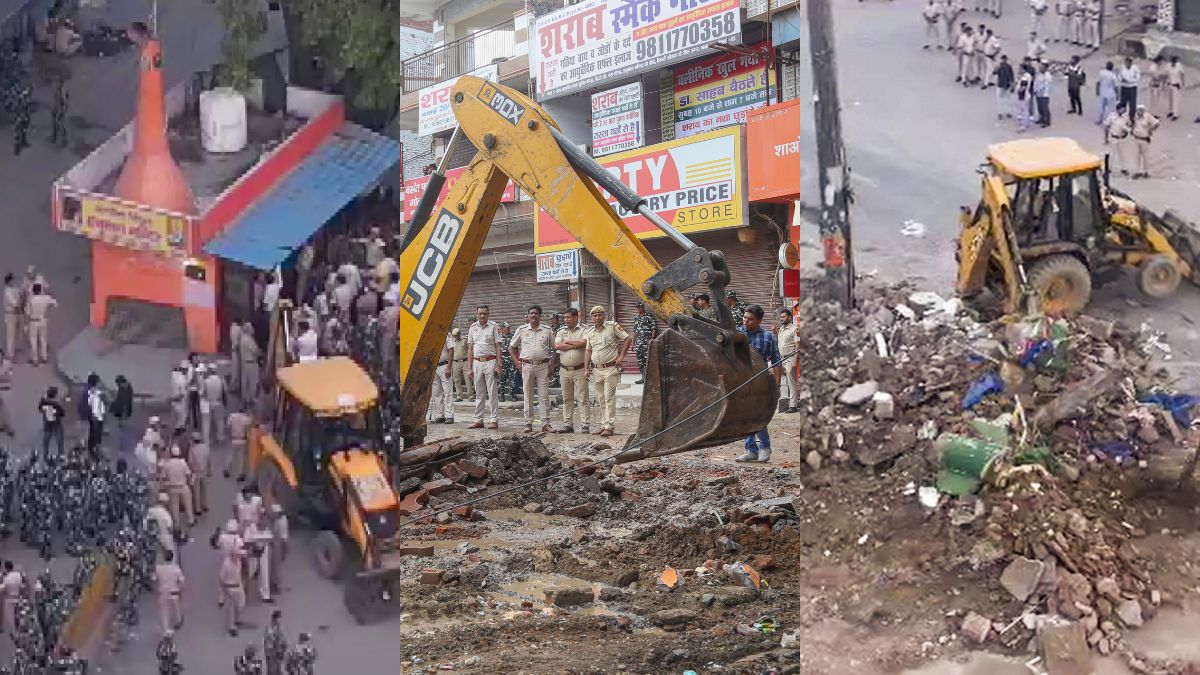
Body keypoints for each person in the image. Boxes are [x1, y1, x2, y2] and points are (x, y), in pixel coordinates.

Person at [734, 305, 782, 463]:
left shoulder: (768, 337)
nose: (745, 321)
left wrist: (777, 385)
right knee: (744, 416)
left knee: (758, 415)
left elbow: (776, 362)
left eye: (750, 319)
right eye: (745, 317)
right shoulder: (736, 334)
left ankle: (765, 447)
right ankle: (751, 450)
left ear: (759, 321)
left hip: (759, 382)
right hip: (738, 381)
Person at [583, 306, 631, 439]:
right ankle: (604, 424)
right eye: (594, 315)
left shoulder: (612, 327)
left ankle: (609, 426)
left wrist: (621, 357)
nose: (597, 318)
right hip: (596, 369)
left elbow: (627, 338)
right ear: (591, 317)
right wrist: (586, 368)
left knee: (609, 397)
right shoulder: (590, 331)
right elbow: (588, 351)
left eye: (599, 315)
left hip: (610, 368)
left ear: (604, 316)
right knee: (601, 399)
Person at [510, 305, 554, 433]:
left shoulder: (547, 330)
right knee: (528, 394)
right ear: (528, 316)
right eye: (531, 313)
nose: (533, 315)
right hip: (527, 366)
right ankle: (528, 423)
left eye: (536, 313)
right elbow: (511, 347)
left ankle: (545, 423)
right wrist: (517, 362)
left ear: (540, 315)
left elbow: (555, 347)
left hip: (543, 366)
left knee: (544, 395)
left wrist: (552, 365)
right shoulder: (522, 330)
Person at [554, 308, 590, 434]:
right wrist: (576, 344)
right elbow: (557, 345)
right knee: (567, 398)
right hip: (564, 370)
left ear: (576, 318)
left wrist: (568, 342)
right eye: (565, 318)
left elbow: (585, 342)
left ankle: (585, 425)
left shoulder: (584, 329)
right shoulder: (561, 330)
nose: (566, 320)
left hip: (579, 369)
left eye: (568, 317)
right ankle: (568, 424)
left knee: (583, 398)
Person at [467, 305, 502, 430]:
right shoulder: (472, 328)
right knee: (479, 392)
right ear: (477, 314)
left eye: (485, 314)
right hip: (477, 363)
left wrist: (499, 365)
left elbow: (498, 346)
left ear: (488, 314)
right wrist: (469, 367)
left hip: (490, 361)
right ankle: (478, 420)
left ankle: (494, 420)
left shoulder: (494, 326)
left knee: (492, 392)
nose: (482, 316)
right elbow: (470, 348)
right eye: (480, 313)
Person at [162, 445, 194, 531]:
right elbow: (188, 474)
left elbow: (164, 476)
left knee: (174, 507)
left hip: (172, 488)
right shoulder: (183, 462)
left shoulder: (167, 464)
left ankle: (176, 523)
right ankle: (190, 520)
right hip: (183, 486)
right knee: (188, 504)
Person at [154, 549, 184, 634]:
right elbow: (181, 582)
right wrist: (181, 591)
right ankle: (178, 622)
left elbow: (154, 580)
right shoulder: (176, 569)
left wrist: (156, 590)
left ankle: (166, 630)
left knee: (164, 612)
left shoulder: (158, 569)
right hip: (174, 592)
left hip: (162, 593)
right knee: (177, 608)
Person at [25, 282, 55, 365]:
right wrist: (47, 309)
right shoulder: (46, 298)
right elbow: (55, 303)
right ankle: (44, 357)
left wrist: (26, 324)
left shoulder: (30, 300)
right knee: (43, 339)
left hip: (33, 321)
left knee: (33, 340)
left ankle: (35, 359)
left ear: (33, 291)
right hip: (43, 320)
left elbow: (27, 312)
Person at [428, 332, 455, 424]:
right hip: (434, 367)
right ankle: (441, 415)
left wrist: (449, 367)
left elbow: (451, 350)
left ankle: (450, 415)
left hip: (444, 365)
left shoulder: (445, 334)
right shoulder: (429, 335)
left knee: (447, 391)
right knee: (436, 393)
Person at [777, 310, 800, 413]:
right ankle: (785, 404)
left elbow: (798, 346)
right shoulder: (781, 329)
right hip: (782, 358)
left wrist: (795, 359)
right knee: (784, 382)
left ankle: (793, 405)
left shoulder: (795, 329)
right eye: (780, 317)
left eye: (783, 317)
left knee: (792, 382)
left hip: (790, 358)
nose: (781, 318)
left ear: (790, 317)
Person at [1131, 105, 1160, 179]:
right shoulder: (1135, 117)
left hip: (1144, 139)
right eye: (1138, 110)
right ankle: (1137, 171)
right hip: (1136, 138)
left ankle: (1146, 171)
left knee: (1145, 156)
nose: (1140, 112)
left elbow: (1157, 123)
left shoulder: (1148, 116)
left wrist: (1151, 130)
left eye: (1141, 110)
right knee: (1136, 156)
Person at [1103, 102, 1131, 175]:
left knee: (1123, 154)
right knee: (1111, 154)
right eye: (1123, 109)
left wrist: (1126, 132)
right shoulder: (1112, 116)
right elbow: (1106, 127)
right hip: (1113, 137)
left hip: (1122, 138)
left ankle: (1124, 168)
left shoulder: (1126, 116)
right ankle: (1109, 168)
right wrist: (1106, 138)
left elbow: (1127, 124)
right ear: (1118, 109)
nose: (1124, 111)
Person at [631, 302, 656, 384]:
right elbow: (635, 332)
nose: (639, 309)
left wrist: (652, 339)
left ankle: (651, 379)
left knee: (648, 360)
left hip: (647, 343)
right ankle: (643, 378)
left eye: (640, 307)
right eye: (637, 307)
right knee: (640, 361)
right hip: (639, 344)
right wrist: (633, 343)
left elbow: (654, 328)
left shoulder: (649, 316)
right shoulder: (636, 318)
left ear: (643, 307)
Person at [147, 492, 177, 559]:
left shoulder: (150, 510)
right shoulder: (165, 514)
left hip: (151, 536)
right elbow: (170, 528)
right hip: (165, 536)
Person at [203, 366, 227, 447]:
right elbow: (225, 391)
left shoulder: (206, 381)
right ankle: (220, 437)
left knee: (207, 422)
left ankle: (206, 440)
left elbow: (204, 393)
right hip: (218, 402)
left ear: (209, 371)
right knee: (220, 421)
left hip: (209, 403)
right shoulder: (221, 380)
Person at [227, 407, 253, 481]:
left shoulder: (231, 416)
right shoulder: (246, 419)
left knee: (230, 455)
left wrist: (229, 435)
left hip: (233, 438)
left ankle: (227, 470)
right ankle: (240, 474)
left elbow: (228, 427)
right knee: (241, 458)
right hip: (242, 440)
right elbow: (251, 425)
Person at [38, 386, 65, 456]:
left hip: (47, 424)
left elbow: (40, 409)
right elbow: (62, 413)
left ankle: (45, 454)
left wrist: (42, 399)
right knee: (59, 441)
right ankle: (61, 454)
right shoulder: (57, 404)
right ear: (55, 395)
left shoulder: (44, 402)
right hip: (56, 424)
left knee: (46, 440)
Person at [189, 431, 211, 516]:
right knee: (204, 490)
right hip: (204, 472)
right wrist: (209, 470)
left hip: (196, 473)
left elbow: (190, 462)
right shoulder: (205, 447)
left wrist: (191, 472)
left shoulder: (193, 449)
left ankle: (198, 509)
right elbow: (209, 460)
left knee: (196, 491)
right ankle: (205, 505)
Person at [85, 373, 107, 452]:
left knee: (94, 435)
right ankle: (94, 450)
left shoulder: (93, 391)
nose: (100, 382)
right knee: (95, 435)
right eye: (99, 381)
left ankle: (93, 449)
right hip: (96, 417)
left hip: (97, 416)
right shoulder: (94, 392)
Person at [264, 610, 288, 675]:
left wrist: (283, 648)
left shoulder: (279, 628)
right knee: (272, 669)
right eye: (278, 618)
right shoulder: (270, 630)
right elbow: (269, 645)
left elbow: (283, 640)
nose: (279, 621)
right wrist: (275, 652)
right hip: (273, 654)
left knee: (277, 667)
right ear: (274, 619)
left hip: (278, 653)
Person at [451, 327, 472, 401]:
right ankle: (459, 396)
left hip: (465, 361)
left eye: (456, 335)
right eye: (454, 336)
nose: (455, 337)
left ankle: (470, 396)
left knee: (468, 379)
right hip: (455, 362)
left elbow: (469, 349)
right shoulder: (452, 341)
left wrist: (470, 362)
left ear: (459, 334)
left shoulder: (464, 340)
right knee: (456, 380)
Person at [3, 273, 21, 360]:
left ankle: (12, 351)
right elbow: (15, 303)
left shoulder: (15, 289)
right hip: (10, 314)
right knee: (11, 335)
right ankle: (10, 355)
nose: (14, 281)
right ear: (9, 281)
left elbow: (20, 294)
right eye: (12, 280)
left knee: (15, 334)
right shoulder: (7, 292)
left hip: (16, 314)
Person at [1097, 60, 1119, 125]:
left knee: (1101, 107)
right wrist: (1117, 94)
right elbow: (1116, 86)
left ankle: (1100, 120)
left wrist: (1097, 90)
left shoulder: (1101, 73)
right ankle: (1107, 121)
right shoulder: (1113, 75)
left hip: (1102, 92)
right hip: (1110, 93)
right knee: (1109, 108)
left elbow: (1098, 82)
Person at [995, 54, 1016, 119]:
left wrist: (1012, 84)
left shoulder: (1002, 66)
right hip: (1004, 84)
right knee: (1006, 99)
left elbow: (994, 73)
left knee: (1002, 99)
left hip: (1002, 84)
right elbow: (1011, 76)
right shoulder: (1007, 66)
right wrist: (1012, 84)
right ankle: (1005, 113)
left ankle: (1002, 113)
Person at [49, 77, 68, 147]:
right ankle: (54, 137)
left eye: (58, 82)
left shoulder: (62, 91)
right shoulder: (58, 90)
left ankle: (64, 140)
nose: (56, 84)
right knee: (55, 124)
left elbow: (63, 102)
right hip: (56, 108)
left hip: (60, 110)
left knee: (61, 125)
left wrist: (61, 110)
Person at [1034, 61, 1053, 127]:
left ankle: (1047, 121)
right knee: (1040, 107)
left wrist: (1038, 90)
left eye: (1042, 67)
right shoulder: (1039, 74)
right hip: (1038, 93)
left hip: (1044, 94)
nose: (1040, 68)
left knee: (1045, 108)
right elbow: (1036, 82)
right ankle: (1041, 118)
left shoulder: (1047, 76)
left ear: (1045, 68)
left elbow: (1045, 85)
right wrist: (1035, 89)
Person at [1167, 56, 1185, 121]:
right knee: (1170, 99)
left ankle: (1175, 114)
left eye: (1174, 61)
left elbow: (1182, 74)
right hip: (1170, 83)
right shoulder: (1168, 66)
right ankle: (1171, 111)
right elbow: (1167, 73)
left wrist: (1183, 82)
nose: (1173, 63)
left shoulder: (1179, 66)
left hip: (1176, 84)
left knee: (1175, 100)